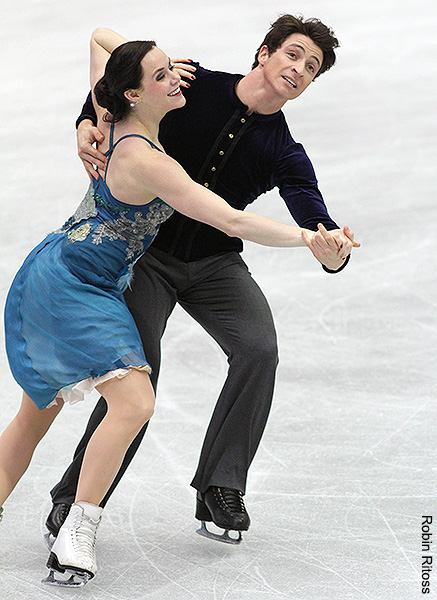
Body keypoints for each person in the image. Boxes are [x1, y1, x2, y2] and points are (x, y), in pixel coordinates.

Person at [45, 15, 359, 547]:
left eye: (312, 67)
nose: (300, 69)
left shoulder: (284, 151)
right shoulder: (192, 84)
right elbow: (122, 83)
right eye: (294, 54)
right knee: (137, 373)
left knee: (259, 347)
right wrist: (85, 121)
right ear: (264, 53)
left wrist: (332, 251)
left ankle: (221, 486)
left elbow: (317, 223)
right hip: (147, 255)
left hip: (215, 263)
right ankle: (75, 499)